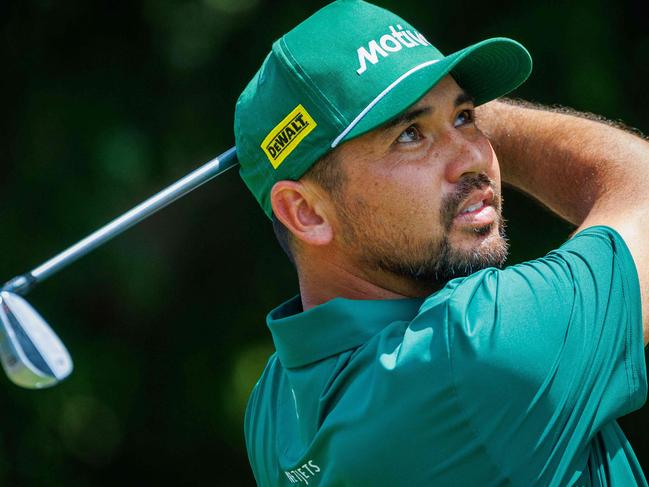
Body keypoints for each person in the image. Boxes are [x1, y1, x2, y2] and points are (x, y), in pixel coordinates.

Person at [234, 0, 648, 485]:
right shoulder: (472, 351)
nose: (472, 156)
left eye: (466, 117)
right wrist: (485, 118)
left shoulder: (275, 410)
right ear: (305, 212)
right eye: (410, 134)